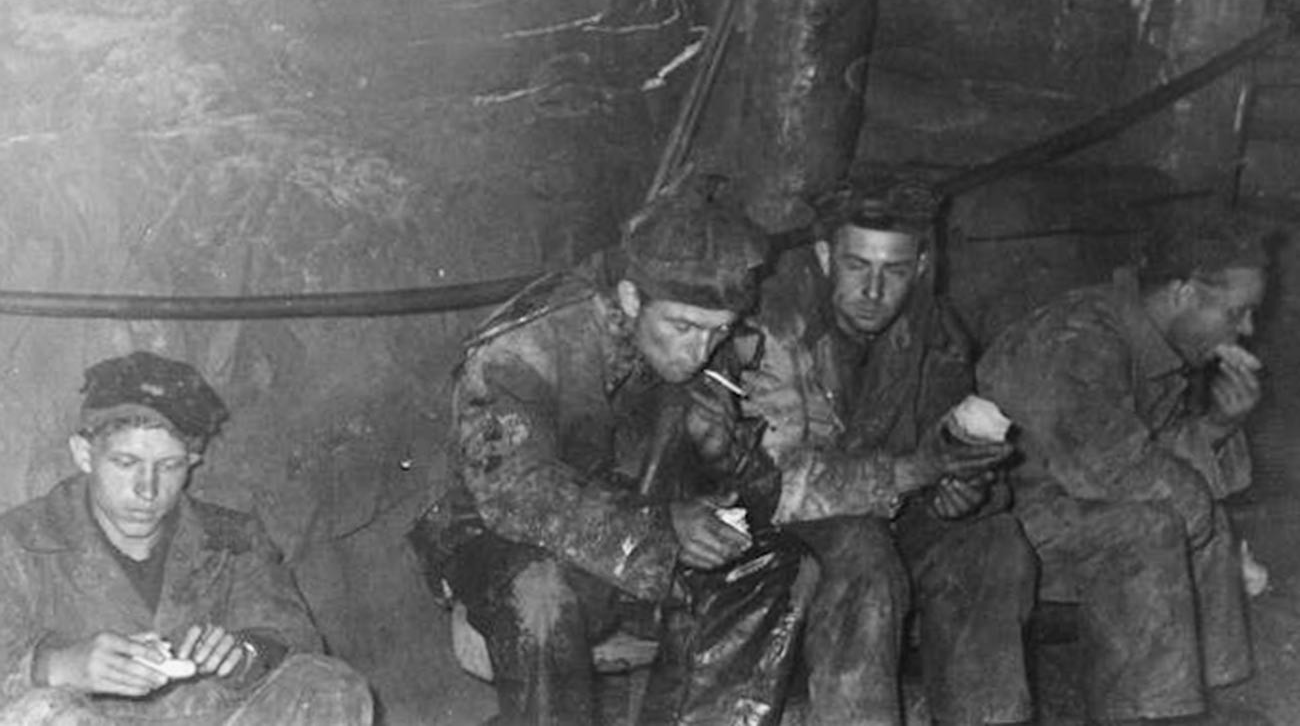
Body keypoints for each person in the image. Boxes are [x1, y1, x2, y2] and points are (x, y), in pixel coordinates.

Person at [408, 176, 1012, 726]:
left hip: (633, 526)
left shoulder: (709, 348)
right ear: (628, 298)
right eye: (683, 328)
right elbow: (515, 493)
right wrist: (662, 528)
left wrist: (728, 462)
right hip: (497, 538)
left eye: (717, 332)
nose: (701, 353)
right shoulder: (529, 346)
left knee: (770, 562)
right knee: (541, 597)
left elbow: (766, 482)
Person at [731, 173, 1035, 726]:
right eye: (857, 266)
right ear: (825, 257)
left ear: (919, 266)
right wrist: (916, 472)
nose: (874, 291)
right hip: (785, 532)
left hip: (890, 520)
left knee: (995, 543)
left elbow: (951, 460)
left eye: (894, 271)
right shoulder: (776, 326)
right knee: (862, 551)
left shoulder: (936, 335)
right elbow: (774, 485)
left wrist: (965, 492)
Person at [977, 208, 1270, 725]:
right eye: (1236, 312)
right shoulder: (1080, 336)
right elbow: (1110, 469)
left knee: (1181, 504)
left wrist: (1219, 426)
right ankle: (1151, 715)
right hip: (1007, 526)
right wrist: (1194, 505)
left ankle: (1209, 695)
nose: (1245, 329)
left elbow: (1147, 457)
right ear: (1184, 293)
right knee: (1155, 520)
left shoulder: (1157, 347)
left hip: (1074, 513)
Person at [0, 351, 373, 725]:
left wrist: (245, 654)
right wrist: (55, 666)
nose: (147, 489)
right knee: (41, 714)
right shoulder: (19, 542)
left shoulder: (231, 540)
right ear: (84, 454)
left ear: (193, 461)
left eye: (169, 466)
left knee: (330, 686)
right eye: (125, 463)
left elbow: (295, 640)